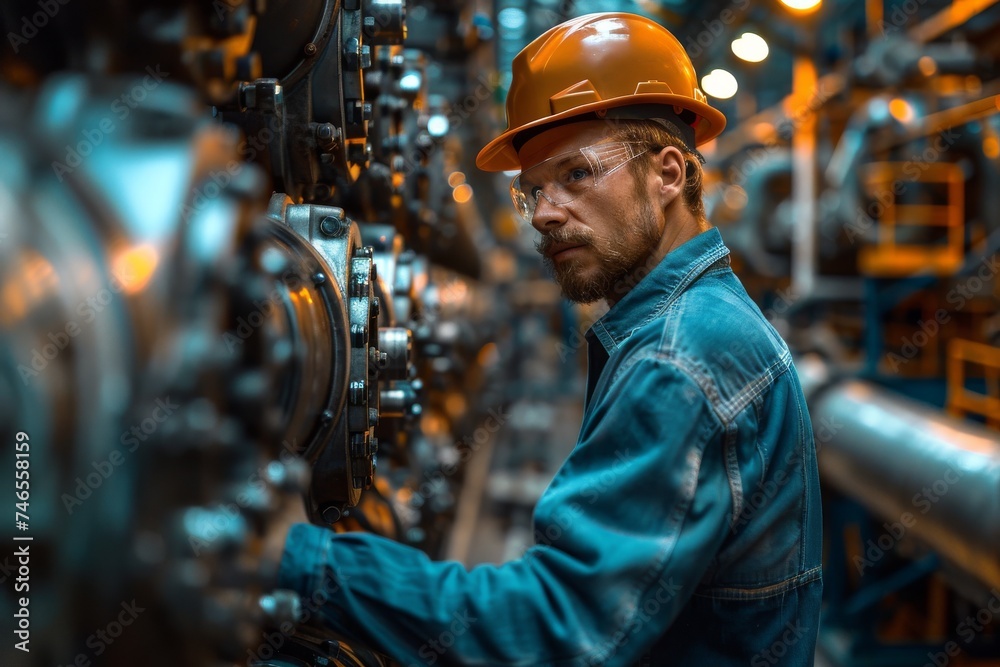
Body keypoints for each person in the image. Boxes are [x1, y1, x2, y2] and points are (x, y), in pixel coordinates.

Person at [278, 12, 822, 666]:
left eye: (576, 174)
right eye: (531, 190)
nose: (544, 213)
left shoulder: (680, 356)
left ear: (670, 173)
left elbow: (552, 630)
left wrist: (302, 558)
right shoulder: (694, 322)